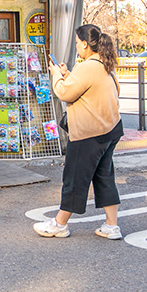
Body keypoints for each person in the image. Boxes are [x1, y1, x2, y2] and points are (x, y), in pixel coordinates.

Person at [34, 24, 124, 240]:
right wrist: (67, 74)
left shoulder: (86, 67)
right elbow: (88, 88)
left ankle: (60, 224)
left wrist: (56, 74)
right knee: (104, 177)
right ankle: (112, 226)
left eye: (77, 43)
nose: (76, 47)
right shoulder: (104, 64)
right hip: (110, 129)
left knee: (75, 178)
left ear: (85, 43)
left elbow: (64, 92)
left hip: (88, 133)